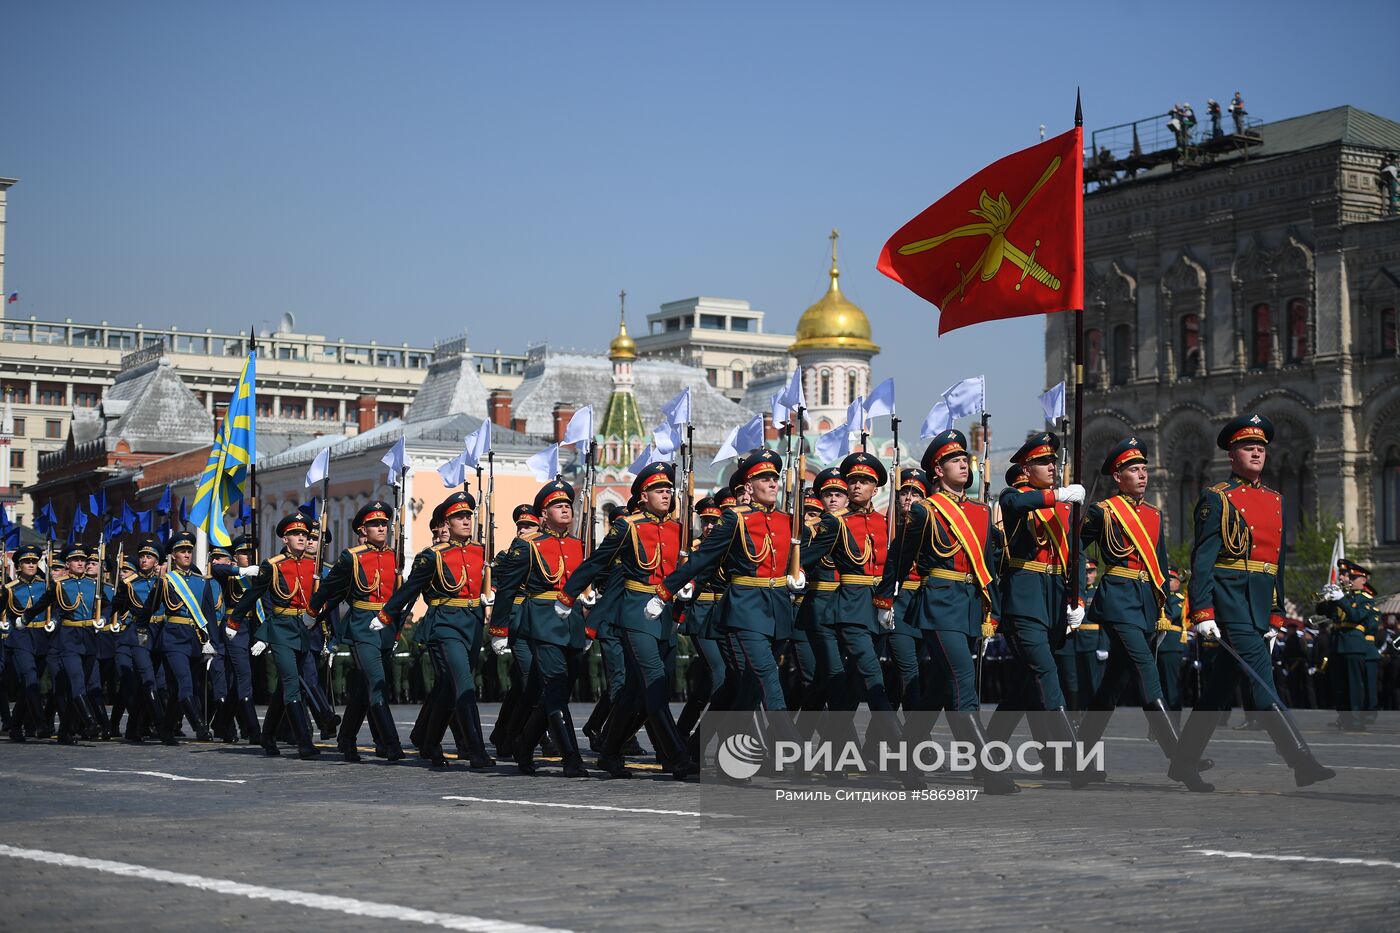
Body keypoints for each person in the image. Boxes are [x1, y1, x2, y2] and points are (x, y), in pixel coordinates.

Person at [1171, 414, 1335, 790]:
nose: (1258, 451)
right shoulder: (1217, 498)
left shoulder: (1275, 499)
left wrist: (1276, 614)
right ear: (1232, 454)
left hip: (1258, 607)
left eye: (1261, 447)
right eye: (1249, 446)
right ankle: (1301, 761)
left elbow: (1275, 564)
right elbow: (1203, 559)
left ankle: (1182, 761)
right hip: (1231, 604)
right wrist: (1202, 610)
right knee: (1264, 685)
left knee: (1218, 690)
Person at [879, 430, 1016, 795]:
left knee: (938, 691)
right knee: (963, 685)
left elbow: (989, 565)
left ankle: (905, 760)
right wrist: (885, 599)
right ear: (937, 470)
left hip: (969, 604)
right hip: (939, 603)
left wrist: (993, 611)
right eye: (954, 460)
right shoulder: (926, 510)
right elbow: (899, 556)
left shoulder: (981, 512)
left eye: (964, 459)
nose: (963, 463)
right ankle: (988, 770)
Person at [1071, 438, 1211, 790]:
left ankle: (1077, 761)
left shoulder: (1153, 514)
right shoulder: (1104, 512)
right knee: (1148, 672)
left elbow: (1161, 564)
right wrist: (1074, 594)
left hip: (1146, 602)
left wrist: (1162, 606)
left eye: (1144, 469)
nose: (1142, 475)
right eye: (1134, 470)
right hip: (1118, 599)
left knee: (1111, 687)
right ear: (1118, 476)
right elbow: (1072, 548)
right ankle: (1180, 760)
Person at [562, 462, 693, 779]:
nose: (666, 494)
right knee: (654, 682)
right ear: (643, 496)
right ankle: (676, 756)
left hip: (664, 618)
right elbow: (597, 561)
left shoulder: (680, 529)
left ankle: (608, 748)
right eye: (658, 490)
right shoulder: (629, 527)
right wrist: (568, 594)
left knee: (635, 692)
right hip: (635, 614)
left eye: (668, 490)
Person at [657, 449, 805, 722]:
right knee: (767, 674)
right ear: (749, 487)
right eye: (764, 478)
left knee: (747, 688)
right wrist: (666, 591)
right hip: (745, 608)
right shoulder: (736, 519)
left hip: (779, 609)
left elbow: (797, 557)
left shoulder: (787, 521)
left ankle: (698, 747)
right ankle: (788, 747)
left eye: (774, 478)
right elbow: (703, 558)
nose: (772, 483)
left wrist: (799, 573)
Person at [985, 433, 1086, 781]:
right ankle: (1073, 758)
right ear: (1026, 468)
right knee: (1046, 673)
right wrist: (1057, 495)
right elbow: (1015, 506)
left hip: (1055, 600)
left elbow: (1077, 555)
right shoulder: (1016, 496)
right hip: (1025, 601)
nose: (1052, 468)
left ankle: (988, 749)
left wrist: (1079, 599)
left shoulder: (1063, 506)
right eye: (1044, 462)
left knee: (1024, 688)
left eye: (1054, 463)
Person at [383, 491, 493, 768]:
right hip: (445, 624)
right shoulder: (433, 556)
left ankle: (428, 740)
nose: (466, 520)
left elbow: (499, 579)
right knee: (464, 684)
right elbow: (409, 590)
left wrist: (492, 592)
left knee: (447, 688)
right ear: (447, 521)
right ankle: (476, 750)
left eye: (468, 515)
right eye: (459, 516)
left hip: (473, 624)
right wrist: (387, 616)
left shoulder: (482, 551)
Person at [492, 481, 591, 777]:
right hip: (542, 623)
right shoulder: (529, 545)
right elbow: (508, 589)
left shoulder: (576, 544)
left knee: (544, 690)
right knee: (557, 690)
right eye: (557, 505)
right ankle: (571, 757)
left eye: (567, 505)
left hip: (571, 624)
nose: (565, 508)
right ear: (543, 515)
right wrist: (499, 629)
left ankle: (522, 744)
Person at [807, 451, 895, 753]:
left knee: (855, 686)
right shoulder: (835, 523)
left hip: (880, 610)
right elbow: (805, 556)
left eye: (864, 481)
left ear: (876, 488)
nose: (857, 486)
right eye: (853, 480)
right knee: (874, 677)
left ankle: (829, 754)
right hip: (851, 610)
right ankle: (904, 760)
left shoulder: (886, 523)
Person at [311, 501, 407, 762]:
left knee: (364, 688)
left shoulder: (394, 556)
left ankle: (347, 737)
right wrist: (312, 613)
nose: (381, 528)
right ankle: (392, 743)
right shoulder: (352, 557)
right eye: (375, 524)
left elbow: (401, 596)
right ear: (364, 528)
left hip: (385, 628)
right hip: (362, 627)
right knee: (377, 684)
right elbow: (330, 589)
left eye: (384, 524)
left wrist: (397, 629)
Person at [228, 514, 322, 759]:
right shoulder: (274, 564)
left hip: (304, 629)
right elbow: (252, 594)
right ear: (285, 538)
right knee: (291, 682)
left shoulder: (314, 565)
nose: (302, 538)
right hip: (280, 628)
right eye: (296, 534)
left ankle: (268, 734)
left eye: (305, 534)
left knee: (284, 688)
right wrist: (234, 620)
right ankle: (304, 741)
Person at [129, 532, 218, 744]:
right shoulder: (167, 582)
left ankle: (166, 730)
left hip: (194, 639)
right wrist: (141, 631)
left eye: (189, 551)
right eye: (182, 551)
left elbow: (209, 615)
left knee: (178, 689)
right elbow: (148, 609)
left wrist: (212, 642)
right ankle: (200, 726)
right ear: (173, 555)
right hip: (173, 639)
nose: (187, 555)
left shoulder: (202, 582)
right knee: (185, 682)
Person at [28, 545, 109, 742]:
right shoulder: (60, 585)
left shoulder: (94, 585)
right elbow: (43, 603)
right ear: (67, 564)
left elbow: (107, 606)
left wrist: (104, 619)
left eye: (83, 560)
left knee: (82, 684)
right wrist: (25, 617)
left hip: (89, 637)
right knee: (77, 680)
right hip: (68, 637)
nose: (81, 563)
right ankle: (90, 721)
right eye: (76, 560)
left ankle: (64, 731)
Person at [674, 497, 727, 743]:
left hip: (725, 612)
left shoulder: (729, 544)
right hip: (701, 611)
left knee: (706, 683)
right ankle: (709, 737)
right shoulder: (695, 548)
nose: (709, 527)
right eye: (705, 521)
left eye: (714, 521)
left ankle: (680, 734)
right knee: (719, 671)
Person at [209, 534, 263, 745]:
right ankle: (253, 728)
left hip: (255, 629)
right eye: (243, 553)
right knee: (244, 674)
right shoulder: (230, 574)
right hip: (235, 628)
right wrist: (240, 571)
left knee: (239, 681)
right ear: (234, 557)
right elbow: (215, 569)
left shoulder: (260, 574)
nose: (248, 557)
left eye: (251, 553)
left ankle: (221, 722)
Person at [1318, 558, 1379, 732]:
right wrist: (1326, 599)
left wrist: (1341, 599)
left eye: (1353, 577)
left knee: (1354, 685)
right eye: (1347, 576)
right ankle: (1344, 717)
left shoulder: (1365, 599)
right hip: (1338, 644)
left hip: (1354, 646)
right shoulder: (1344, 597)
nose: (1349, 580)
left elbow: (1355, 616)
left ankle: (1356, 718)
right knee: (1340, 685)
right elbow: (1325, 613)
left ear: (1363, 580)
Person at [2, 545, 51, 741]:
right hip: (20, 639)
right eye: (27, 562)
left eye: (33, 561)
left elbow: (57, 607)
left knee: (28, 686)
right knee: (30, 679)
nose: (31, 565)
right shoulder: (9, 589)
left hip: (41, 639)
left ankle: (15, 727)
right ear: (19, 565)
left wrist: (53, 621)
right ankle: (41, 724)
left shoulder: (46, 586)